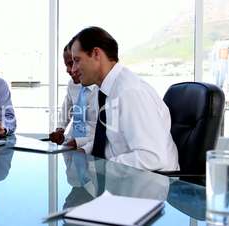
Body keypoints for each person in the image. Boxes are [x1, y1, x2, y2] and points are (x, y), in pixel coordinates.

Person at [70, 26, 179, 171]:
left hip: (150, 187)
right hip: (124, 181)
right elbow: (112, 141)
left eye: (77, 60)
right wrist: (85, 150)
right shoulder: (105, 90)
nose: (73, 70)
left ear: (96, 53)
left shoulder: (129, 92)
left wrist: (102, 167)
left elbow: (153, 158)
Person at [49, 41, 98, 153]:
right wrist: (60, 130)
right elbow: (66, 110)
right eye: (66, 65)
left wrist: (78, 142)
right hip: (70, 148)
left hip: (91, 150)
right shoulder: (72, 84)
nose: (68, 70)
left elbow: (104, 135)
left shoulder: (100, 90)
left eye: (71, 63)